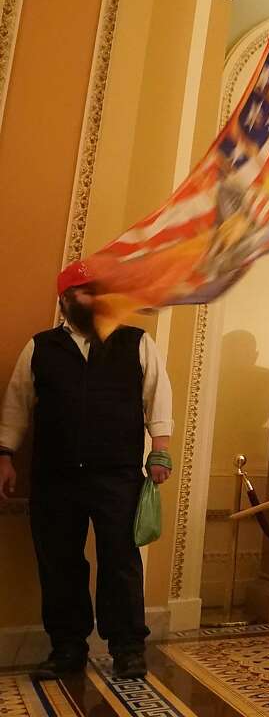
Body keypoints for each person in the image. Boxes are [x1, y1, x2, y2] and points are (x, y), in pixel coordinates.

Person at [0, 262, 174, 680]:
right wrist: (5, 455)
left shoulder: (136, 342)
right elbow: (17, 404)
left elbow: (158, 397)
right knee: (59, 562)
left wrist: (160, 451)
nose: (92, 299)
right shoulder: (39, 347)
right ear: (63, 299)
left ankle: (128, 648)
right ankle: (66, 649)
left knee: (121, 561)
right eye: (82, 292)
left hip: (118, 475)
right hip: (54, 477)